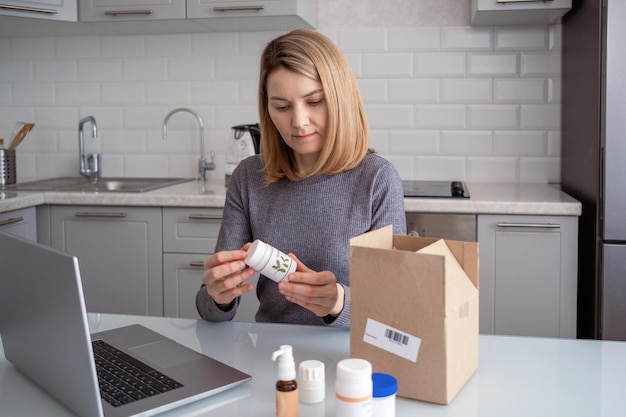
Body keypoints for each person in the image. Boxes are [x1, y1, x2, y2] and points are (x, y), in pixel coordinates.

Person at [196, 29, 406, 328]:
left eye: (315, 101)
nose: (299, 121)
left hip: (349, 359)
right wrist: (218, 296)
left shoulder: (377, 179)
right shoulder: (249, 178)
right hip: (273, 353)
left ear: (340, 100)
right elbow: (210, 310)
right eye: (281, 107)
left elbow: (394, 308)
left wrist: (337, 302)